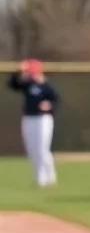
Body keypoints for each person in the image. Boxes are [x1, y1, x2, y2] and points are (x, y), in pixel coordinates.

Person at [8, 59, 58, 187]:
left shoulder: (46, 85)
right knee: (32, 149)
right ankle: (39, 177)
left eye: (30, 71)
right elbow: (12, 84)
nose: (29, 74)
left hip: (43, 119)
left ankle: (47, 177)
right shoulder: (27, 85)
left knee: (42, 148)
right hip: (28, 118)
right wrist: (19, 71)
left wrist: (49, 105)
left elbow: (56, 100)